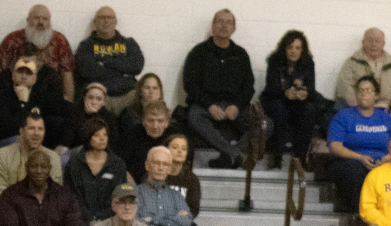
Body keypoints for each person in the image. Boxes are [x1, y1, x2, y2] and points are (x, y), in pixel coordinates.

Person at [183, 9, 260, 169]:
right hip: (207, 106)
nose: (224, 26)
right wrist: (209, 105)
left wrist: (237, 106)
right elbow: (190, 84)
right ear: (213, 26)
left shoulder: (241, 54)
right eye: (220, 21)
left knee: (265, 123)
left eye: (229, 22)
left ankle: (229, 155)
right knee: (193, 116)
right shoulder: (198, 52)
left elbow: (248, 87)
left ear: (234, 28)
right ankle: (236, 155)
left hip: (235, 106)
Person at [0, 149, 87, 226]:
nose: (39, 171)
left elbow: (76, 225)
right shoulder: (11, 194)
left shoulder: (64, 194)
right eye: (34, 166)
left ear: (50, 168)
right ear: (26, 168)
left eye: (43, 167)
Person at [325, 75, 391, 213]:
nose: (364, 93)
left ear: (376, 96)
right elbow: (335, 146)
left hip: (383, 163)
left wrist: (385, 160)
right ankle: (360, 216)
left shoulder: (387, 119)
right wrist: (359, 157)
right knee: (354, 170)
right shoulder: (343, 116)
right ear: (356, 94)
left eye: (369, 90)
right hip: (349, 162)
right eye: (361, 90)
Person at [261, 30, 320, 168]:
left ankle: (299, 158)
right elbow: (271, 88)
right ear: (284, 49)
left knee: (310, 109)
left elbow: (311, 90)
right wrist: (286, 93)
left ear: (303, 50)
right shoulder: (274, 61)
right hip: (276, 101)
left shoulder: (308, 63)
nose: (294, 51)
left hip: (297, 104)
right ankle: (277, 158)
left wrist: (303, 95)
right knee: (278, 108)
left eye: (298, 48)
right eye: (290, 48)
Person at [73, 6, 144, 114]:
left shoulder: (129, 43)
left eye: (109, 17)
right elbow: (86, 71)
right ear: (95, 22)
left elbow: (137, 66)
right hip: (100, 96)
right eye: (102, 18)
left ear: (115, 21)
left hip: (128, 95)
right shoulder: (86, 45)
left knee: (146, 93)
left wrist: (105, 63)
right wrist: (123, 72)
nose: (106, 21)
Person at [136, 146, 192, 226]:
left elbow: (186, 222)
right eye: (156, 163)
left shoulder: (176, 196)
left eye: (165, 164)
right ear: (147, 165)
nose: (161, 168)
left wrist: (154, 220)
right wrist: (172, 225)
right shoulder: (136, 193)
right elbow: (138, 225)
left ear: (169, 168)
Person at [0, 51, 72, 150]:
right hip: (8, 147)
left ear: (35, 78)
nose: (24, 76)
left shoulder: (41, 95)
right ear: (13, 75)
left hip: (37, 148)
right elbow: (11, 130)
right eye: (20, 72)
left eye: (28, 73)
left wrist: (63, 144)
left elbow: (71, 111)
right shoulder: (4, 94)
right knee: (20, 139)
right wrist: (23, 103)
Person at [0, 6, 74, 100]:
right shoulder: (12, 39)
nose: (41, 22)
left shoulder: (60, 40)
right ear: (28, 20)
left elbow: (67, 74)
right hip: (15, 96)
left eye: (45, 19)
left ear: (49, 22)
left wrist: (69, 104)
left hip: (50, 97)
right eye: (36, 18)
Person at [65, 117, 130, 222]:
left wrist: (100, 218)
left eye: (105, 135)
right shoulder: (74, 163)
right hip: (79, 220)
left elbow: (119, 195)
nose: (102, 139)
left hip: (110, 220)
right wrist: (89, 218)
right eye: (97, 135)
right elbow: (72, 196)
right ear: (88, 137)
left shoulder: (117, 164)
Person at [334, 28, 391, 108]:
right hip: (358, 109)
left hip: (387, 109)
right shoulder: (352, 63)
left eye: (377, 41)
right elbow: (345, 89)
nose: (374, 44)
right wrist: (364, 107)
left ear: (383, 44)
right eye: (370, 40)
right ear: (363, 43)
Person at [0, 111, 62, 193]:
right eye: (31, 128)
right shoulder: (3, 155)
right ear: (21, 131)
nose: (36, 133)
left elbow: (55, 194)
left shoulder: (53, 158)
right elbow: (2, 193)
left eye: (40, 129)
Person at [116, 99, 170, 181]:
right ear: (143, 121)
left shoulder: (173, 139)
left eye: (160, 121)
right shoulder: (130, 136)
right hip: (134, 185)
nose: (155, 126)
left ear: (167, 123)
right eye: (151, 120)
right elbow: (120, 166)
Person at [115, 72, 163, 143]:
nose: (151, 91)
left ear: (160, 92)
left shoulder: (165, 115)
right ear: (140, 91)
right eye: (147, 88)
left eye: (155, 88)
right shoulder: (129, 115)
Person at [164, 133, 201, 217]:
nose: (180, 151)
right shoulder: (155, 175)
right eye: (175, 147)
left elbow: (193, 209)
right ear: (166, 150)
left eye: (184, 149)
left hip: (182, 223)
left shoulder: (192, 179)